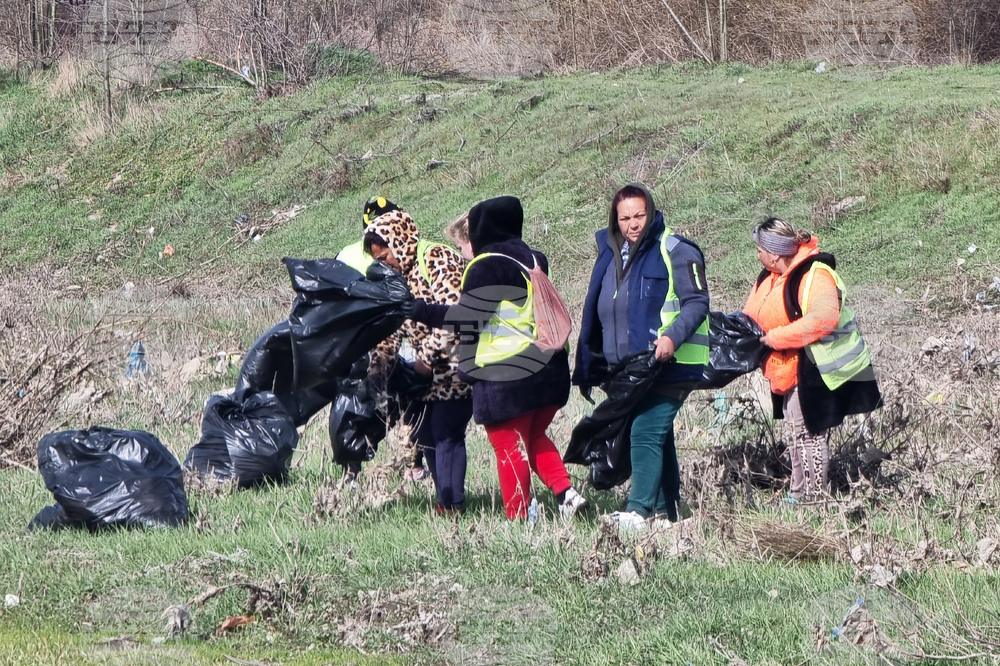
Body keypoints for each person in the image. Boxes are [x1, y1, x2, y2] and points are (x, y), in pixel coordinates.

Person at [411, 196, 588, 520]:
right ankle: (566, 493)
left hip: (507, 376)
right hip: (549, 367)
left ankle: (519, 517)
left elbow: (467, 319)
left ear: (478, 234)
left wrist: (416, 309)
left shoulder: (486, 266)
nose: (461, 255)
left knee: (508, 446)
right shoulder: (533, 259)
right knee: (533, 437)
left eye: (462, 245)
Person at [573, 183, 710, 532]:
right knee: (658, 435)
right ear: (615, 220)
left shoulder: (675, 249)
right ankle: (669, 512)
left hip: (672, 364)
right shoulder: (609, 254)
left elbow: (697, 303)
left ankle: (639, 512)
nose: (633, 224)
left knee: (645, 430)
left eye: (639, 215)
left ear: (651, 212)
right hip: (630, 370)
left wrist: (671, 338)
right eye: (625, 218)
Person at [743, 216, 881, 501]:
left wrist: (775, 338)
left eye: (760, 249)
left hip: (819, 368)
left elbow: (823, 319)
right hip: (789, 368)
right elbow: (750, 314)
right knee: (796, 433)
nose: (757, 255)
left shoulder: (815, 275)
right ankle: (799, 494)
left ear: (775, 254)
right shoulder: (769, 277)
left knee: (809, 435)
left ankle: (813, 498)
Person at [364, 208, 473, 514]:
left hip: (455, 366)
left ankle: (453, 506)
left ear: (400, 243)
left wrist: (426, 359)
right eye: (377, 260)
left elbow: (456, 318)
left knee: (445, 431)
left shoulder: (436, 258)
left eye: (385, 256)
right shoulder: (396, 278)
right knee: (425, 435)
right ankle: (445, 502)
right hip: (423, 374)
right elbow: (389, 329)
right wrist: (378, 368)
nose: (383, 264)